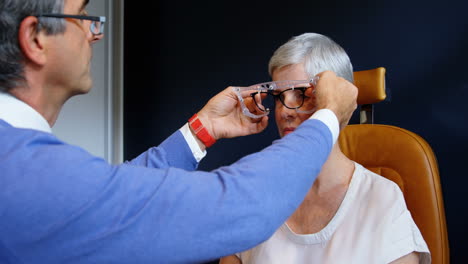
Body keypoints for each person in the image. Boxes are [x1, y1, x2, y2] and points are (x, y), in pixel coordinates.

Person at [0, 1, 358, 263]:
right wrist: (326, 117)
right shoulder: (25, 174)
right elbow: (239, 206)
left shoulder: (18, 160)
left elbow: (113, 195)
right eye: (83, 17)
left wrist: (202, 130)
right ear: (35, 38)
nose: (96, 33)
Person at [220, 33, 431, 264]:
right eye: (279, 97)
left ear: (342, 100)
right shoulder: (252, 193)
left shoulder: (381, 198)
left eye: (302, 94)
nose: (284, 111)